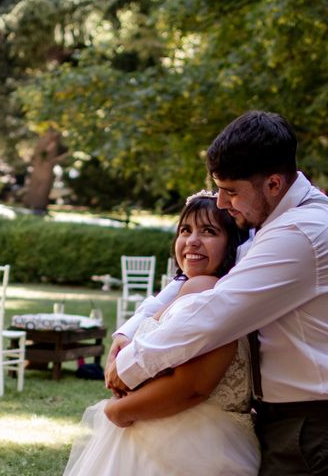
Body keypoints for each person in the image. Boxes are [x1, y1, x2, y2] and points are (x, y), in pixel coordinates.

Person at [107, 110, 328, 475]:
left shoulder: (300, 233)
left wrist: (129, 368)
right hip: (281, 420)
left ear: (274, 184)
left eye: (230, 192)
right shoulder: (270, 224)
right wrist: (129, 330)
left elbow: (216, 310)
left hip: (310, 424)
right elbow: (187, 283)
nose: (222, 203)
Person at [64, 192, 257, 475]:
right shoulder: (188, 287)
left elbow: (191, 386)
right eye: (185, 230)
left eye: (209, 231)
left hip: (190, 441)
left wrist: (118, 410)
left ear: (232, 243)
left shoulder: (208, 290)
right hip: (168, 432)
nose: (192, 240)